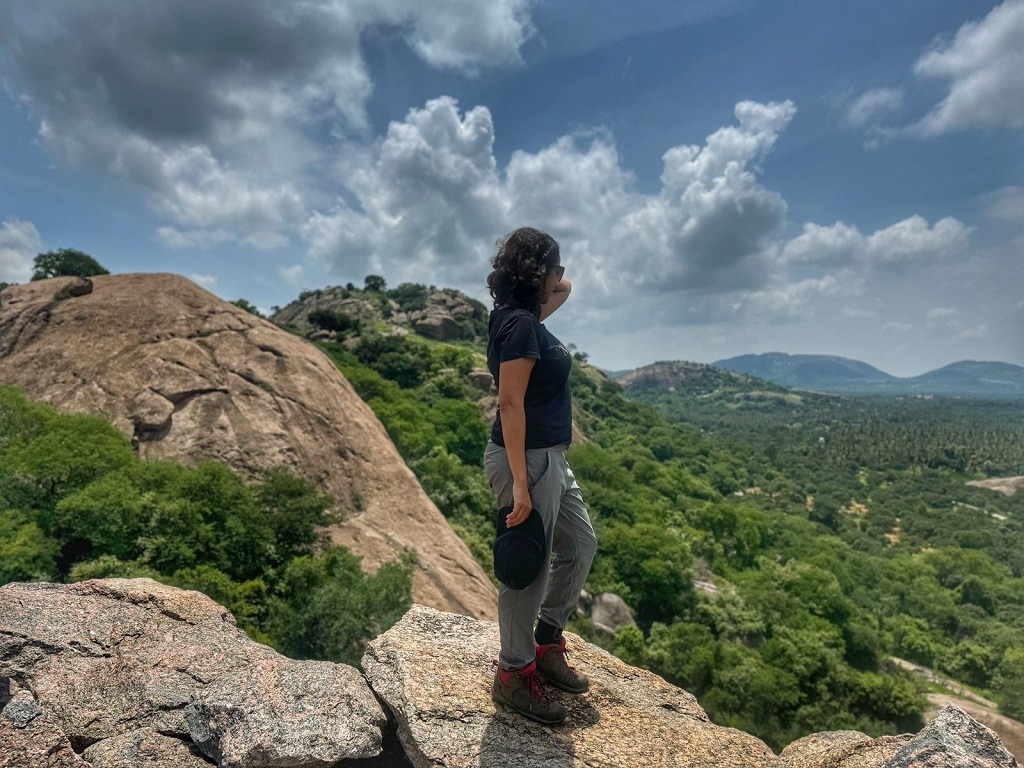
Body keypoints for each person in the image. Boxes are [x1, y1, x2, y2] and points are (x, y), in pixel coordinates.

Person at [483, 226, 598, 725]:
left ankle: (546, 640)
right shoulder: (522, 327)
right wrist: (522, 485)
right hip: (524, 461)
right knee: (527, 568)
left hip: (550, 457)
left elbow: (566, 290)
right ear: (538, 274)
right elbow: (509, 402)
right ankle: (514, 672)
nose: (564, 278)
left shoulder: (519, 316)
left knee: (581, 546)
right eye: (558, 267)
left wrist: (549, 272)